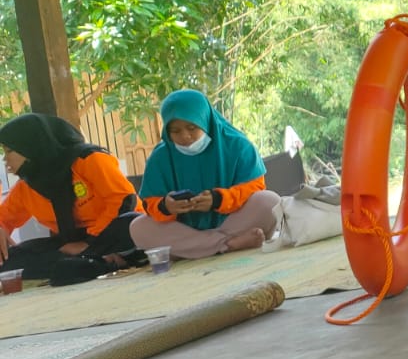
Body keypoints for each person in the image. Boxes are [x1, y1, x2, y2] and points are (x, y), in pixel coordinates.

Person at [131, 90, 279, 259]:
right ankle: (227, 245)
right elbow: (149, 204)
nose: (185, 136)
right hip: (184, 229)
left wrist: (218, 199)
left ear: (205, 120)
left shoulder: (238, 145)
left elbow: (255, 187)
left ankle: (193, 250)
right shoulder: (160, 158)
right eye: (175, 131)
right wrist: (166, 206)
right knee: (137, 227)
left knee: (269, 201)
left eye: (192, 127)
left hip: (233, 222)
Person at [0, 113, 142, 279]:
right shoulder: (27, 187)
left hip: (111, 231)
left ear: (31, 147)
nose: (5, 158)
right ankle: (98, 261)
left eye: (9, 150)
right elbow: (4, 216)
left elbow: (124, 200)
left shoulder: (88, 159)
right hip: (71, 241)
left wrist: (88, 242)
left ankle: (86, 261)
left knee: (130, 223)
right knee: (12, 259)